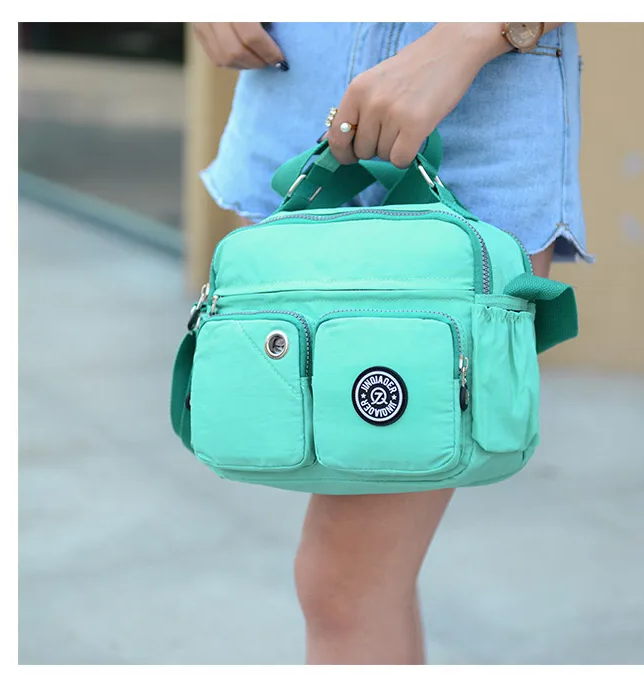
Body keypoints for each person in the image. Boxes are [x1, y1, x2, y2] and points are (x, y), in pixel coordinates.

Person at [192, 21, 592, 665]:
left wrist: (470, 36)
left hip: (477, 79)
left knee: (346, 585)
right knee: (367, 583)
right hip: (292, 73)